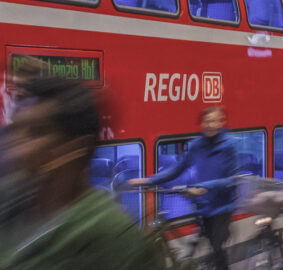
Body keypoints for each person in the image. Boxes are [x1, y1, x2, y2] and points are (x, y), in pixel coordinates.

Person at [0, 77, 164, 269]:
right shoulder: (9, 201)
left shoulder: (114, 239)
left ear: (77, 148)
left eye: (36, 132)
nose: (13, 142)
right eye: (15, 128)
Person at [130, 106, 237, 270]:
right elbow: (178, 168)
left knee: (217, 249)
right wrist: (149, 180)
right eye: (207, 121)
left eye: (214, 121)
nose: (210, 125)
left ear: (221, 122)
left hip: (221, 208)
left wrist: (204, 187)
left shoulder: (229, 146)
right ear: (201, 123)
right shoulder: (196, 146)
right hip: (203, 206)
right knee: (194, 247)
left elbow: (231, 180)